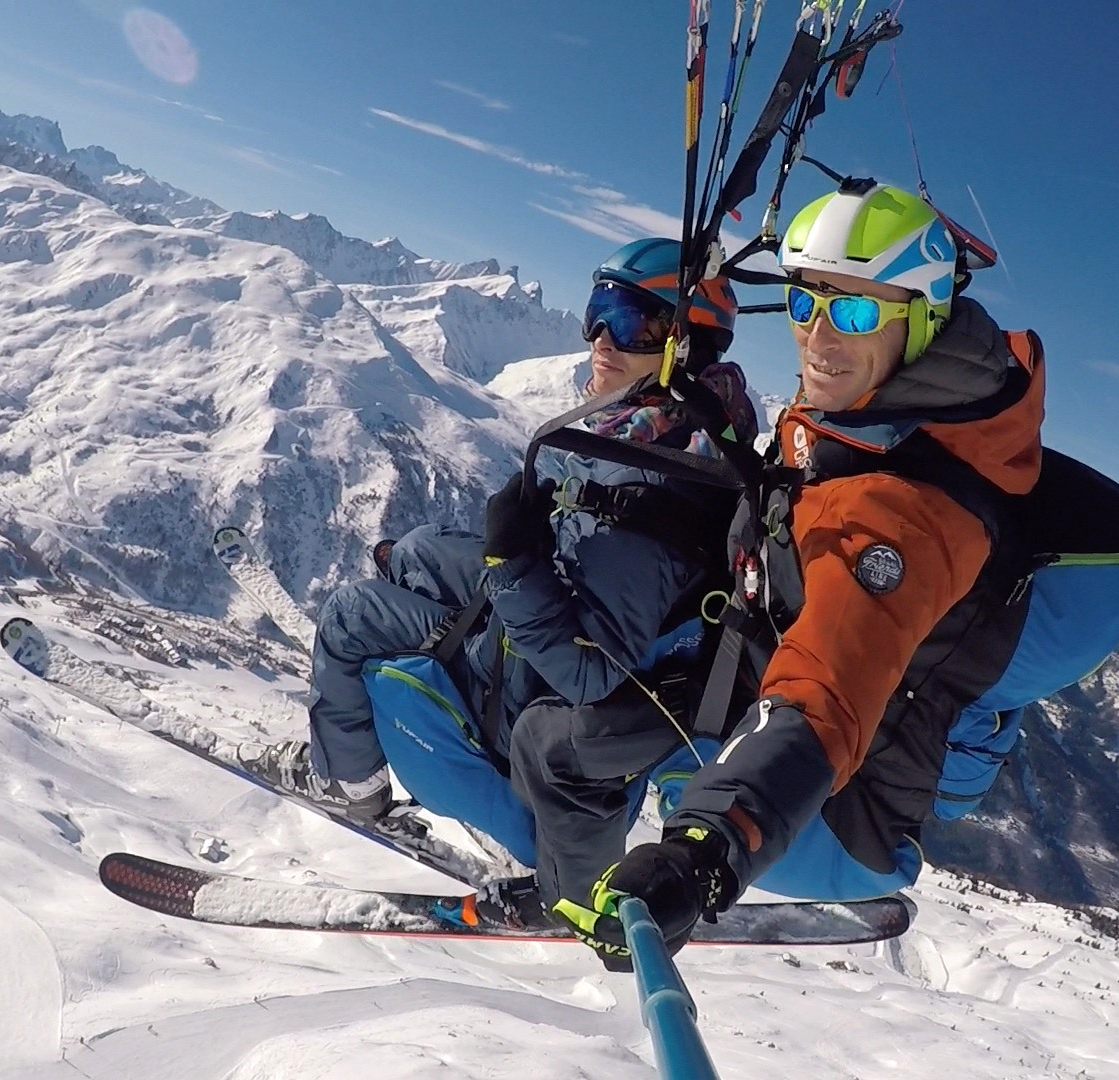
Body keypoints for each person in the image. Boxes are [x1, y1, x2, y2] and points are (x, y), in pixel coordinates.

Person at [556, 180, 1119, 965]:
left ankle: (571, 879)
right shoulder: (893, 409)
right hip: (851, 745)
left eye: (853, 312)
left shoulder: (898, 509)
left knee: (588, 723)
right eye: (805, 303)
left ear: (920, 321)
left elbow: (825, 691)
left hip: (838, 826)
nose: (818, 338)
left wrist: (704, 851)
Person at [238, 239, 760, 885]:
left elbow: (587, 672)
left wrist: (511, 564)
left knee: (350, 615)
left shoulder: (652, 483)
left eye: (632, 322)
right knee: (418, 549)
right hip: (554, 602)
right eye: (600, 309)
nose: (601, 338)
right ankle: (409, 574)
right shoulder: (682, 433)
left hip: (523, 685)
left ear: (684, 345)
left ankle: (352, 786)